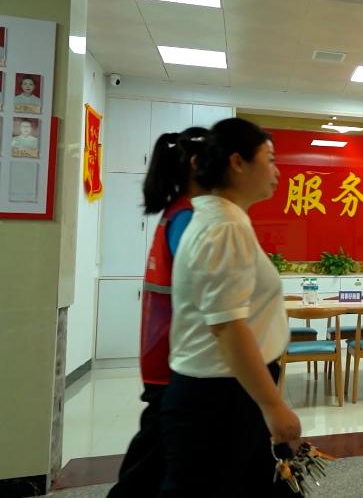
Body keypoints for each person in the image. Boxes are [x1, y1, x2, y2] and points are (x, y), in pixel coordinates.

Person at [160, 118, 299, 496]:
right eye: (269, 159)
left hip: (228, 388)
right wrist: (274, 407)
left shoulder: (221, 219)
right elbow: (228, 327)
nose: (277, 171)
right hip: (220, 396)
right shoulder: (225, 227)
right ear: (238, 163)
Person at [107, 127, 209, 498]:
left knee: (160, 457)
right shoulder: (187, 218)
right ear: (197, 164)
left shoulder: (179, 212)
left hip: (167, 357)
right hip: (175, 360)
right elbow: (207, 290)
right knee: (153, 462)